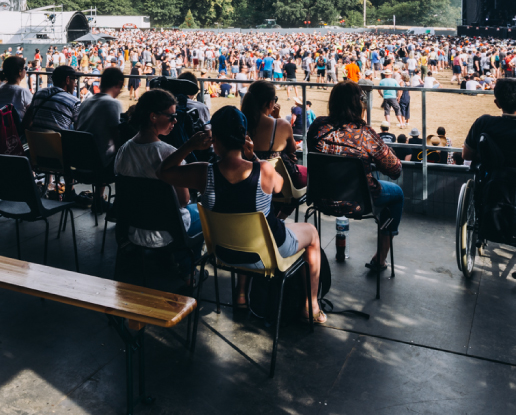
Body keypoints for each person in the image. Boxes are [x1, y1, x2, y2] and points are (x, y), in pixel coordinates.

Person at [157, 106, 325, 323]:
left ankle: (241, 295)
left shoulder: (202, 172)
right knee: (311, 233)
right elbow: (280, 186)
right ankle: (311, 306)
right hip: (266, 254)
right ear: (244, 137)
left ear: (214, 139)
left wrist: (189, 145)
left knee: (240, 226)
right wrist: (253, 156)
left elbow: (162, 172)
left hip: (224, 252)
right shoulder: (263, 169)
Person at [307, 81, 404, 270]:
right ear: (357, 104)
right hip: (360, 202)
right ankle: (381, 258)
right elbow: (395, 170)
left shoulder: (317, 126)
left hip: (320, 197)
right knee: (397, 194)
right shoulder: (365, 133)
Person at [114, 89, 202, 281]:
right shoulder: (168, 153)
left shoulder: (124, 150)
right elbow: (184, 200)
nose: (175, 121)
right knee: (201, 214)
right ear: (153, 116)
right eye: (171, 116)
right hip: (169, 231)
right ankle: (188, 271)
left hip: (133, 228)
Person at [241, 80, 307, 191]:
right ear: (270, 103)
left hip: (248, 181)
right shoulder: (281, 125)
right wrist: (277, 118)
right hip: (281, 185)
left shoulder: (240, 123)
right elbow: (292, 149)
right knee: (305, 173)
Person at [74, 67, 125, 169]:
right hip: (101, 163)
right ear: (119, 84)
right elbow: (117, 137)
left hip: (80, 160)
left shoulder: (86, 102)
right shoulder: (113, 103)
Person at [23, 65, 81, 132]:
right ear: (67, 80)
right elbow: (79, 130)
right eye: (74, 80)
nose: (75, 84)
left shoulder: (39, 94)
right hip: (58, 142)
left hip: (35, 141)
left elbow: (26, 122)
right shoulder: (74, 102)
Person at [0, 56, 32, 120]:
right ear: (19, 71)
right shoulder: (23, 91)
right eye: (25, 68)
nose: (26, 70)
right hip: (17, 128)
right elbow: (32, 112)